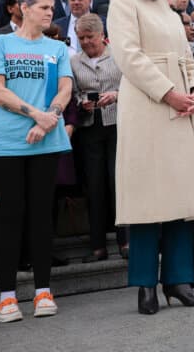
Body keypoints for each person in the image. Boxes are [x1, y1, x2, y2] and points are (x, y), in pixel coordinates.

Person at [107, 0, 194, 314]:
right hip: (147, 106)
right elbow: (128, 56)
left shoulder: (171, 10)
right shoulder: (124, 4)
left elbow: (187, 56)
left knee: (180, 197)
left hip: (182, 106)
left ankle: (179, 281)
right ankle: (145, 286)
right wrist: (169, 93)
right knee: (146, 199)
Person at [0, 0, 74, 323]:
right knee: (9, 215)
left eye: (52, 7)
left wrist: (49, 121)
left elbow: (65, 88)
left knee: (40, 216)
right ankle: (6, 296)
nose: (50, 12)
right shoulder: (0, 43)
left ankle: (43, 291)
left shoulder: (56, 47)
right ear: (24, 7)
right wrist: (36, 115)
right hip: (5, 143)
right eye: (44, 7)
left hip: (46, 141)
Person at [70, 14, 125, 263]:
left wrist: (116, 94)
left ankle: (126, 240)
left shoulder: (119, 54)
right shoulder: (74, 61)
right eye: (81, 38)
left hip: (118, 124)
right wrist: (82, 102)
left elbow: (132, 84)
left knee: (118, 184)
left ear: (101, 35)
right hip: (90, 127)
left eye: (89, 37)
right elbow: (72, 91)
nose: (85, 42)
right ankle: (97, 246)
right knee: (94, 186)